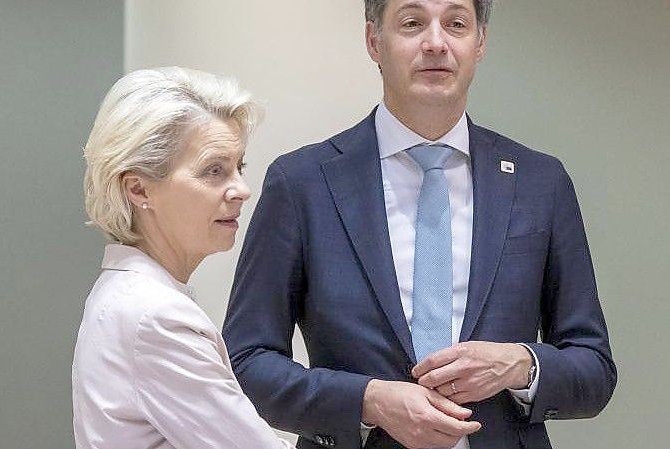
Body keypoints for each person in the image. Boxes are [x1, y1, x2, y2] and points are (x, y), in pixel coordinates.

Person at [223, 1, 616, 448]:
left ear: (480, 42)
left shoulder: (540, 182)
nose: (435, 43)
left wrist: (519, 364)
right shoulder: (302, 183)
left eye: (456, 24)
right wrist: (368, 400)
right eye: (412, 24)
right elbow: (246, 361)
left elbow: (594, 368)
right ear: (374, 40)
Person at [72, 67, 294, 449]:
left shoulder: (130, 296)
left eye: (238, 168)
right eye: (214, 171)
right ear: (139, 188)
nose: (241, 189)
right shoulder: (155, 318)